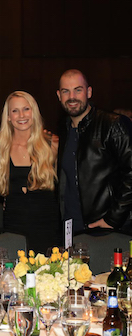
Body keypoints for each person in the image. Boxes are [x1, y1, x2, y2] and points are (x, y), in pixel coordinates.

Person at [57, 69, 132, 233]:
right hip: (72, 229)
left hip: (108, 229)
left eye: (78, 90)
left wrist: (113, 218)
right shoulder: (63, 129)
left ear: (89, 92)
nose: (72, 97)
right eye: (66, 91)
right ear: (59, 96)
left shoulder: (113, 124)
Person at [0, 91, 61, 253]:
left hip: (47, 226)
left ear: (34, 112)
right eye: (15, 111)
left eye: (26, 109)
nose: (21, 115)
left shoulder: (52, 143)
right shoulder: (0, 143)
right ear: (8, 116)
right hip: (13, 224)